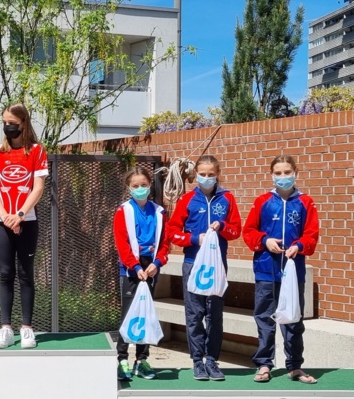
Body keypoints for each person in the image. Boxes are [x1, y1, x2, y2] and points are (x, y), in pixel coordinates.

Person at [243, 155, 319, 384]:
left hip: (293, 272)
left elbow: (312, 235)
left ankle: (295, 366)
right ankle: (264, 364)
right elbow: (249, 232)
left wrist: (299, 246)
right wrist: (264, 240)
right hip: (266, 269)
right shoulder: (262, 201)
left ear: (296, 172)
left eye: (287, 172)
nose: (283, 177)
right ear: (271, 175)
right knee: (265, 319)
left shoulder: (306, 202)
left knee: (293, 320)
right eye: (278, 173)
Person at [166, 155, 241, 381]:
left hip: (217, 265)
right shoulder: (187, 199)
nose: (206, 178)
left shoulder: (227, 198)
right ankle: (197, 361)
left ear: (218, 174)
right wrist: (193, 239)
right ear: (196, 174)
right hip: (193, 263)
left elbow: (236, 230)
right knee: (195, 314)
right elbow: (172, 232)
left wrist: (223, 226)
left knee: (214, 314)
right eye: (202, 174)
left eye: (211, 174)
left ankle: (212, 360)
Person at [0, 103, 48, 349]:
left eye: (12, 123)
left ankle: (27, 329)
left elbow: (38, 188)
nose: (8, 127)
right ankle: (5, 329)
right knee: (5, 273)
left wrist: (20, 214)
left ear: (23, 124)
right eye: (4, 122)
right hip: (2, 222)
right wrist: (5, 215)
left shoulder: (36, 151)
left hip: (27, 221)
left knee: (25, 273)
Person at [113, 166, 170, 380]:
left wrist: (157, 262)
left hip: (151, 266)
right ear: (129, 188)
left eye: (143, 185)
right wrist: (135, 267)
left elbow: (165, 243)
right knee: (129, 313)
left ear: (150, 186)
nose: (140, 189)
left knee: (145, 313)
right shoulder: (123, 211)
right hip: (131, 267)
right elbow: (122, 244)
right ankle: (122, 359)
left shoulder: (160, 212)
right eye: (135, 186)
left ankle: (141, 360)